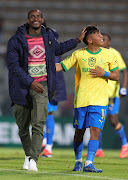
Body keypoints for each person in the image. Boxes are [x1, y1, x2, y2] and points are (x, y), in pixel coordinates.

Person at [6, 9, 86, 171]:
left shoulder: (48, 37)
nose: (36, 19)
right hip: (21, 87)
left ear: (42, 20)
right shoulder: (16, 40)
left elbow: (59, 49)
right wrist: (30, 82)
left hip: (43, 86)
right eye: (32, 17)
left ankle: (34, 160)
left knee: (39, 123)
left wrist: (77, 40)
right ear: (28, 20)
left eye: (38, 17)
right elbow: (13, 66)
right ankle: (28, 155)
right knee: (22, 127)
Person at [56, 25, 119, 173]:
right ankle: (78, 161)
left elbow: (116, 76)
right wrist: (42, 67)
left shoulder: (109, 55)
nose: (101, 36)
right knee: (79, 132)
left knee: (95, 131)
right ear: (90, 40)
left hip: (100, 101)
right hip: (82, 100)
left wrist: (105, 73)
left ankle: (89, 163)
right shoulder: (79, 54)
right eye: (98, 35)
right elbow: (61, 66)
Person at [88, 33, 128, 158]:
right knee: (95, 120)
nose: (101, 40)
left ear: (109, 43)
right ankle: (98, 149)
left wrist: (124, 88)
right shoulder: (96, 53)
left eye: (104, 39)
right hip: (99, 93)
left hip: (111, 94)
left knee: (113, 120)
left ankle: (125, 145)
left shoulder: (114, 54)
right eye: (100, 38)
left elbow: (124, 71)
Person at [40, 28, 67, 158]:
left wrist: (54, 88)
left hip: (51, 88)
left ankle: (47, 145)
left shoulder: (52, 50)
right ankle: (46, 144)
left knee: (45, 114)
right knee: (43, 114)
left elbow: (54, 71)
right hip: (45, 86)